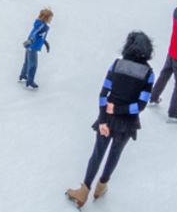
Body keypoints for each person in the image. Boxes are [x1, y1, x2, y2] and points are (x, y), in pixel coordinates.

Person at [64, 31, 155, 207]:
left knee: (97, 153)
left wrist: (104, 119)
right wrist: (121, 109)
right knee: (115, 154)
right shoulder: (148, 74)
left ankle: (83, 192)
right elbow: (140, 105)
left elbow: (103, 94)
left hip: (108, 117)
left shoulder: (116, 65)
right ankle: (101, 188)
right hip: (127, 123)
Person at [19, 9, 53, 89]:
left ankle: (23, 76)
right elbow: (35, 33)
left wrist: (45, 43)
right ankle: (30, 82)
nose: (51, 19)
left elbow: (40, 36)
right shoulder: (42, 26)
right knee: (33, 65)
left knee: (27, 62)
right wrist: (30, 41)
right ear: (46, 18)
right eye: (50, 18)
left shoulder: (40, 24)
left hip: (30, 46)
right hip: (32, 47)